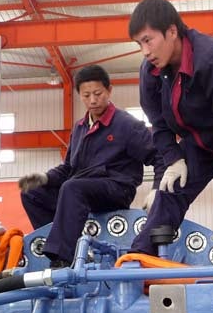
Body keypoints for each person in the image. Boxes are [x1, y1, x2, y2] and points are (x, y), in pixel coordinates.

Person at [127, 0, 213, 265]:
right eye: (139, 44)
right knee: (171, 190)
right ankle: (138, 260)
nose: (145, 51)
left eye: (148, 40)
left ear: (171, 31)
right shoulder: (150, 72)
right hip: (199, 137)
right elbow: (158, 122)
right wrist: (173, 159)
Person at [18, 64, 165, 267]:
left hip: (116, 188)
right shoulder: (80, 128)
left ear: (109, 90)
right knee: (32, 193)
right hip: (82, 190)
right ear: (79, 95)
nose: (93, 100)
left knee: (72, 187)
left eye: (98, 93)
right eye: (86, 95)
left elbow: (159, 157)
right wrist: (45, 178)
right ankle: (57, 242)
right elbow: (68, 169)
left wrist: (157, 189)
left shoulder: (127, 125)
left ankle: (63, 257)